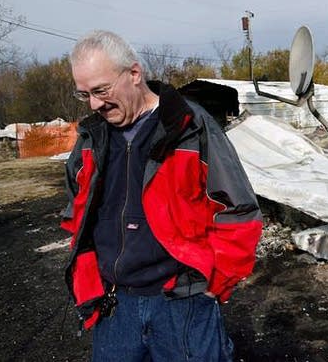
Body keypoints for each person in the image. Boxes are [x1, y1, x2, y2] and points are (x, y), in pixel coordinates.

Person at [60, 30, 263, 362]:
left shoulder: (189, 126)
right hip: (114, 304)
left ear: (135, 74)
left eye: (101, 90)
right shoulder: (91, 137)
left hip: (181, 302)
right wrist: (87, 271)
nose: (96, 104)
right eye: (84, 95)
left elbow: (238, 210)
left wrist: (216, 283)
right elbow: (76, 210)